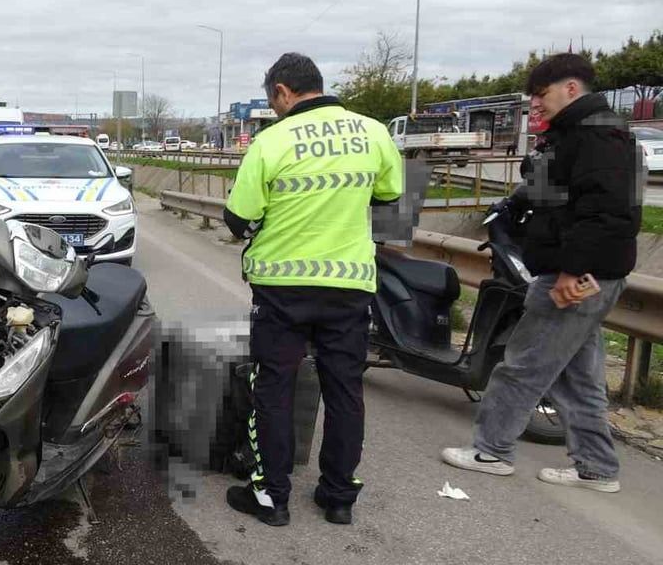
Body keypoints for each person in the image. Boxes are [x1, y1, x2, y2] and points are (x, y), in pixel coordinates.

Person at [441, 53, 641, 492]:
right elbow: (556, 196)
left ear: (571, 88)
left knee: (523, 364)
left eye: (541, 94)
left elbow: (607, 213)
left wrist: (571, 270)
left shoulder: (598, 136)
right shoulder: (575, 134)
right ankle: (597, 467)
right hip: (583, 271)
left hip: (575, 276)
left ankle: (491, 451)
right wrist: (516, 203)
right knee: (578, 378)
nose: (536, 103)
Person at [222, 53, 404, 526]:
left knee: (274, 387)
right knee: (345, 389)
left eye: (273, 101)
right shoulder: (374, 133)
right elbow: (390, 197)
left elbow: (238, 218)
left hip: (281, 287)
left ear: (283, 92)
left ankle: (272, 497)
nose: (274, 109)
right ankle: (339, 497)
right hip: (349, 284)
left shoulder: (271, 140)